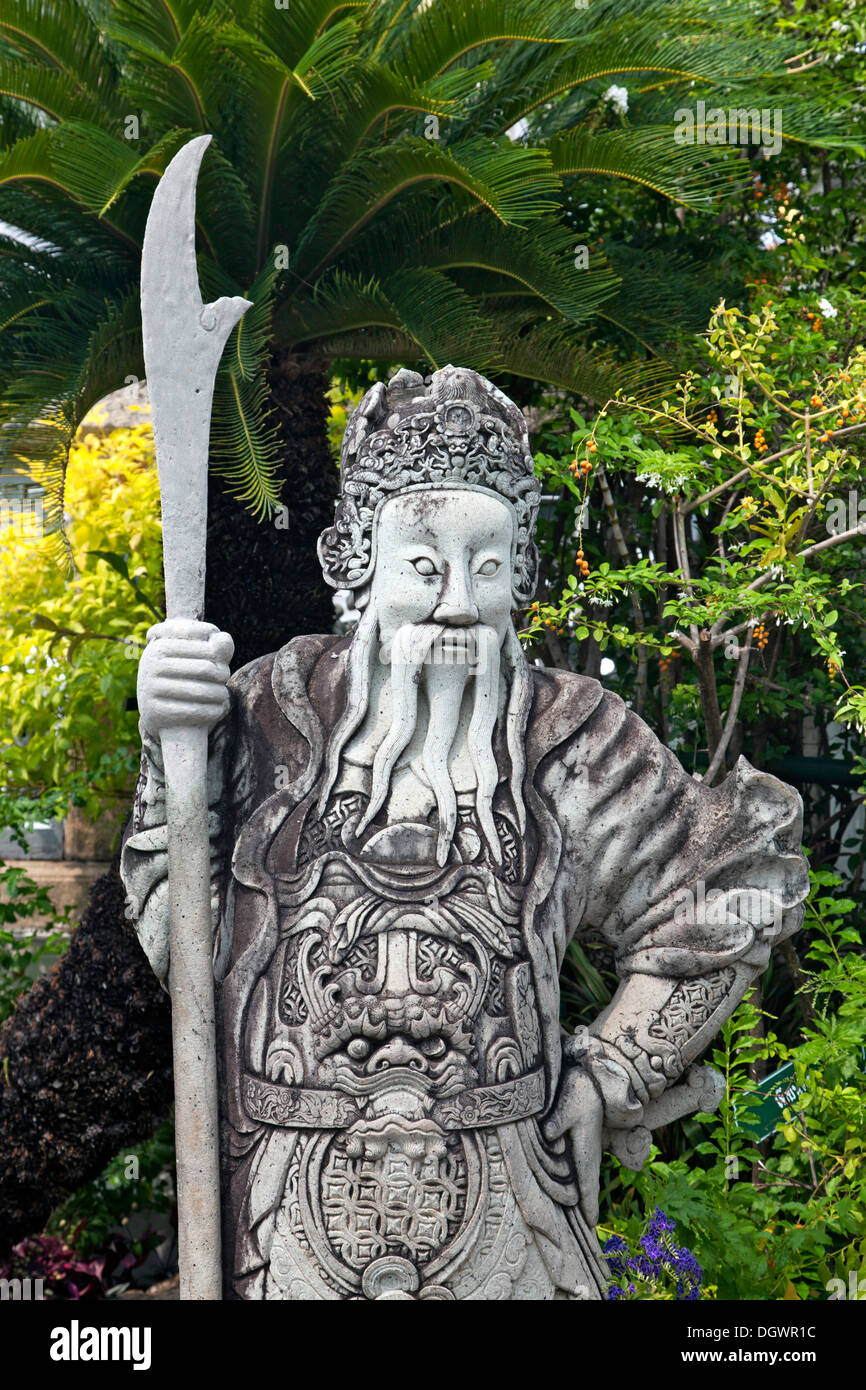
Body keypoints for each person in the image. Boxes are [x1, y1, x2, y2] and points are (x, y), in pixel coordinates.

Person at [122, 366, 808, 1300]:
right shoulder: (268, 716)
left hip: (510, 1216)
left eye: (486, 566)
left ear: (520, 573)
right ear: (357, 562)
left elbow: (726, 892)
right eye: (423, 564)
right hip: (283, 1218)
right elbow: (183, 950)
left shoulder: (569, 738)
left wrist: (611, 1072)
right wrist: (174, 752)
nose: (455, 601)